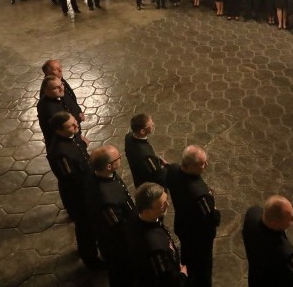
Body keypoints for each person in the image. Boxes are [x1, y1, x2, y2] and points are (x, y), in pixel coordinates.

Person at [45, 112, 104, 270]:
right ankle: (90, 257)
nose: (76, 125)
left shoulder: (73, 135)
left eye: (74, 122)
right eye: (71, 125)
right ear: (59, 131)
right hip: (79, 195)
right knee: (85, 227)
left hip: (88, 186)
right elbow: (71, 179)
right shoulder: (59, 153)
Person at [165, 146, 220, 287]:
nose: (206, 166)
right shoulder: (200, 194)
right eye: (202, 164)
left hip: (182, 225)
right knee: (203, 268)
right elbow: (213, 219)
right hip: (199, 238)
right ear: (190, 167)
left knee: (187, 256)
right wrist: (215, 209)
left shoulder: (173, 170)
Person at [85, 146, 136, 287]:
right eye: (117, 158)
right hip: (117, 244)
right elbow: (117, 227)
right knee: (121, 272)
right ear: (108, 166)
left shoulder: (103, 174)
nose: (120, 158)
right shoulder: (105, 198)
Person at [128, 183, 188, 286]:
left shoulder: (139, 218)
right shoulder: (155, 246)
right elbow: (167, 280)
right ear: (147, 211)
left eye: (166, 200)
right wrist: (183, 274)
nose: (168, 205)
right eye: (163, 205)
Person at [242, 195, 293, 287]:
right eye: (289, 218)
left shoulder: (252, 213)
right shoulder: (284, 253)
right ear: (275, 224)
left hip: (255, 279)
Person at [36, 75, 83, 144]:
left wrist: (79, 112)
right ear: (46, 91)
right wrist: (80, 140)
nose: (61, 89)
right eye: (55, 88)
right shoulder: (49, 110)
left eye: (61, 85)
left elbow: (72, 102)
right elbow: (64, 133)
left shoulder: (60, 93)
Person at [124, 113, 168, 187]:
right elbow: (157, 174)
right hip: (149, 184)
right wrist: (166, 167)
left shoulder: (128, 136)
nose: (153, 125)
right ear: (142, 131)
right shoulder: (146, 155)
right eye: (150, 125)